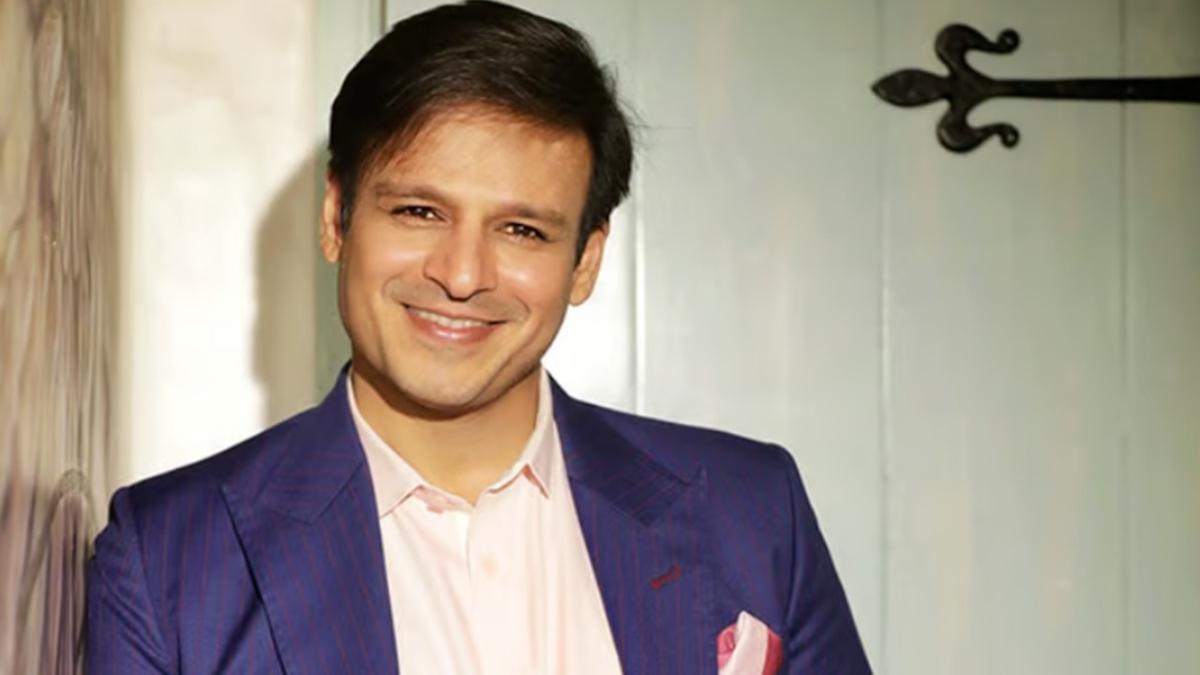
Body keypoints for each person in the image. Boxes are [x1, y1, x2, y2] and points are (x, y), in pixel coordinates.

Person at [86, 2, 871, 673]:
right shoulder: (169, 557)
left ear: (585, 261)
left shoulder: (750, 510)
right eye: (419, 211)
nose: (462, 275)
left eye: (522, 229)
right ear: (336, 218)